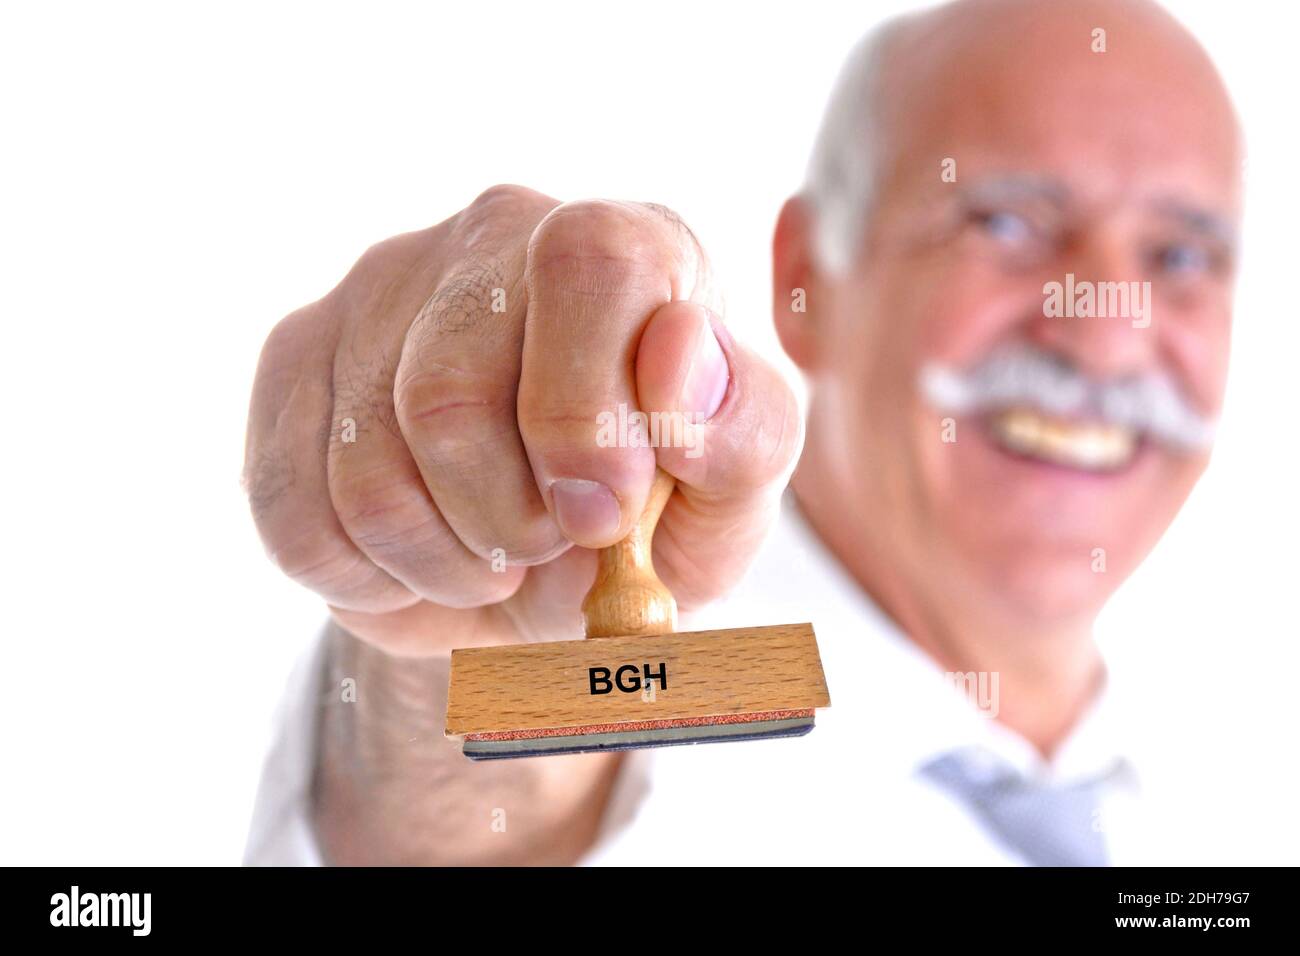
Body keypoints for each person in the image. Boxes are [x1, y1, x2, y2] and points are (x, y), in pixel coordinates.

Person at [242, 0, 1241, 865]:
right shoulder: (619, 724)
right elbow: (456, 828)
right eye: (1006, 223)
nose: (1109, 333)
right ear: (806, 277)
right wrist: (454, 650)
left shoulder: (1231, 792)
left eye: (1183, 253)